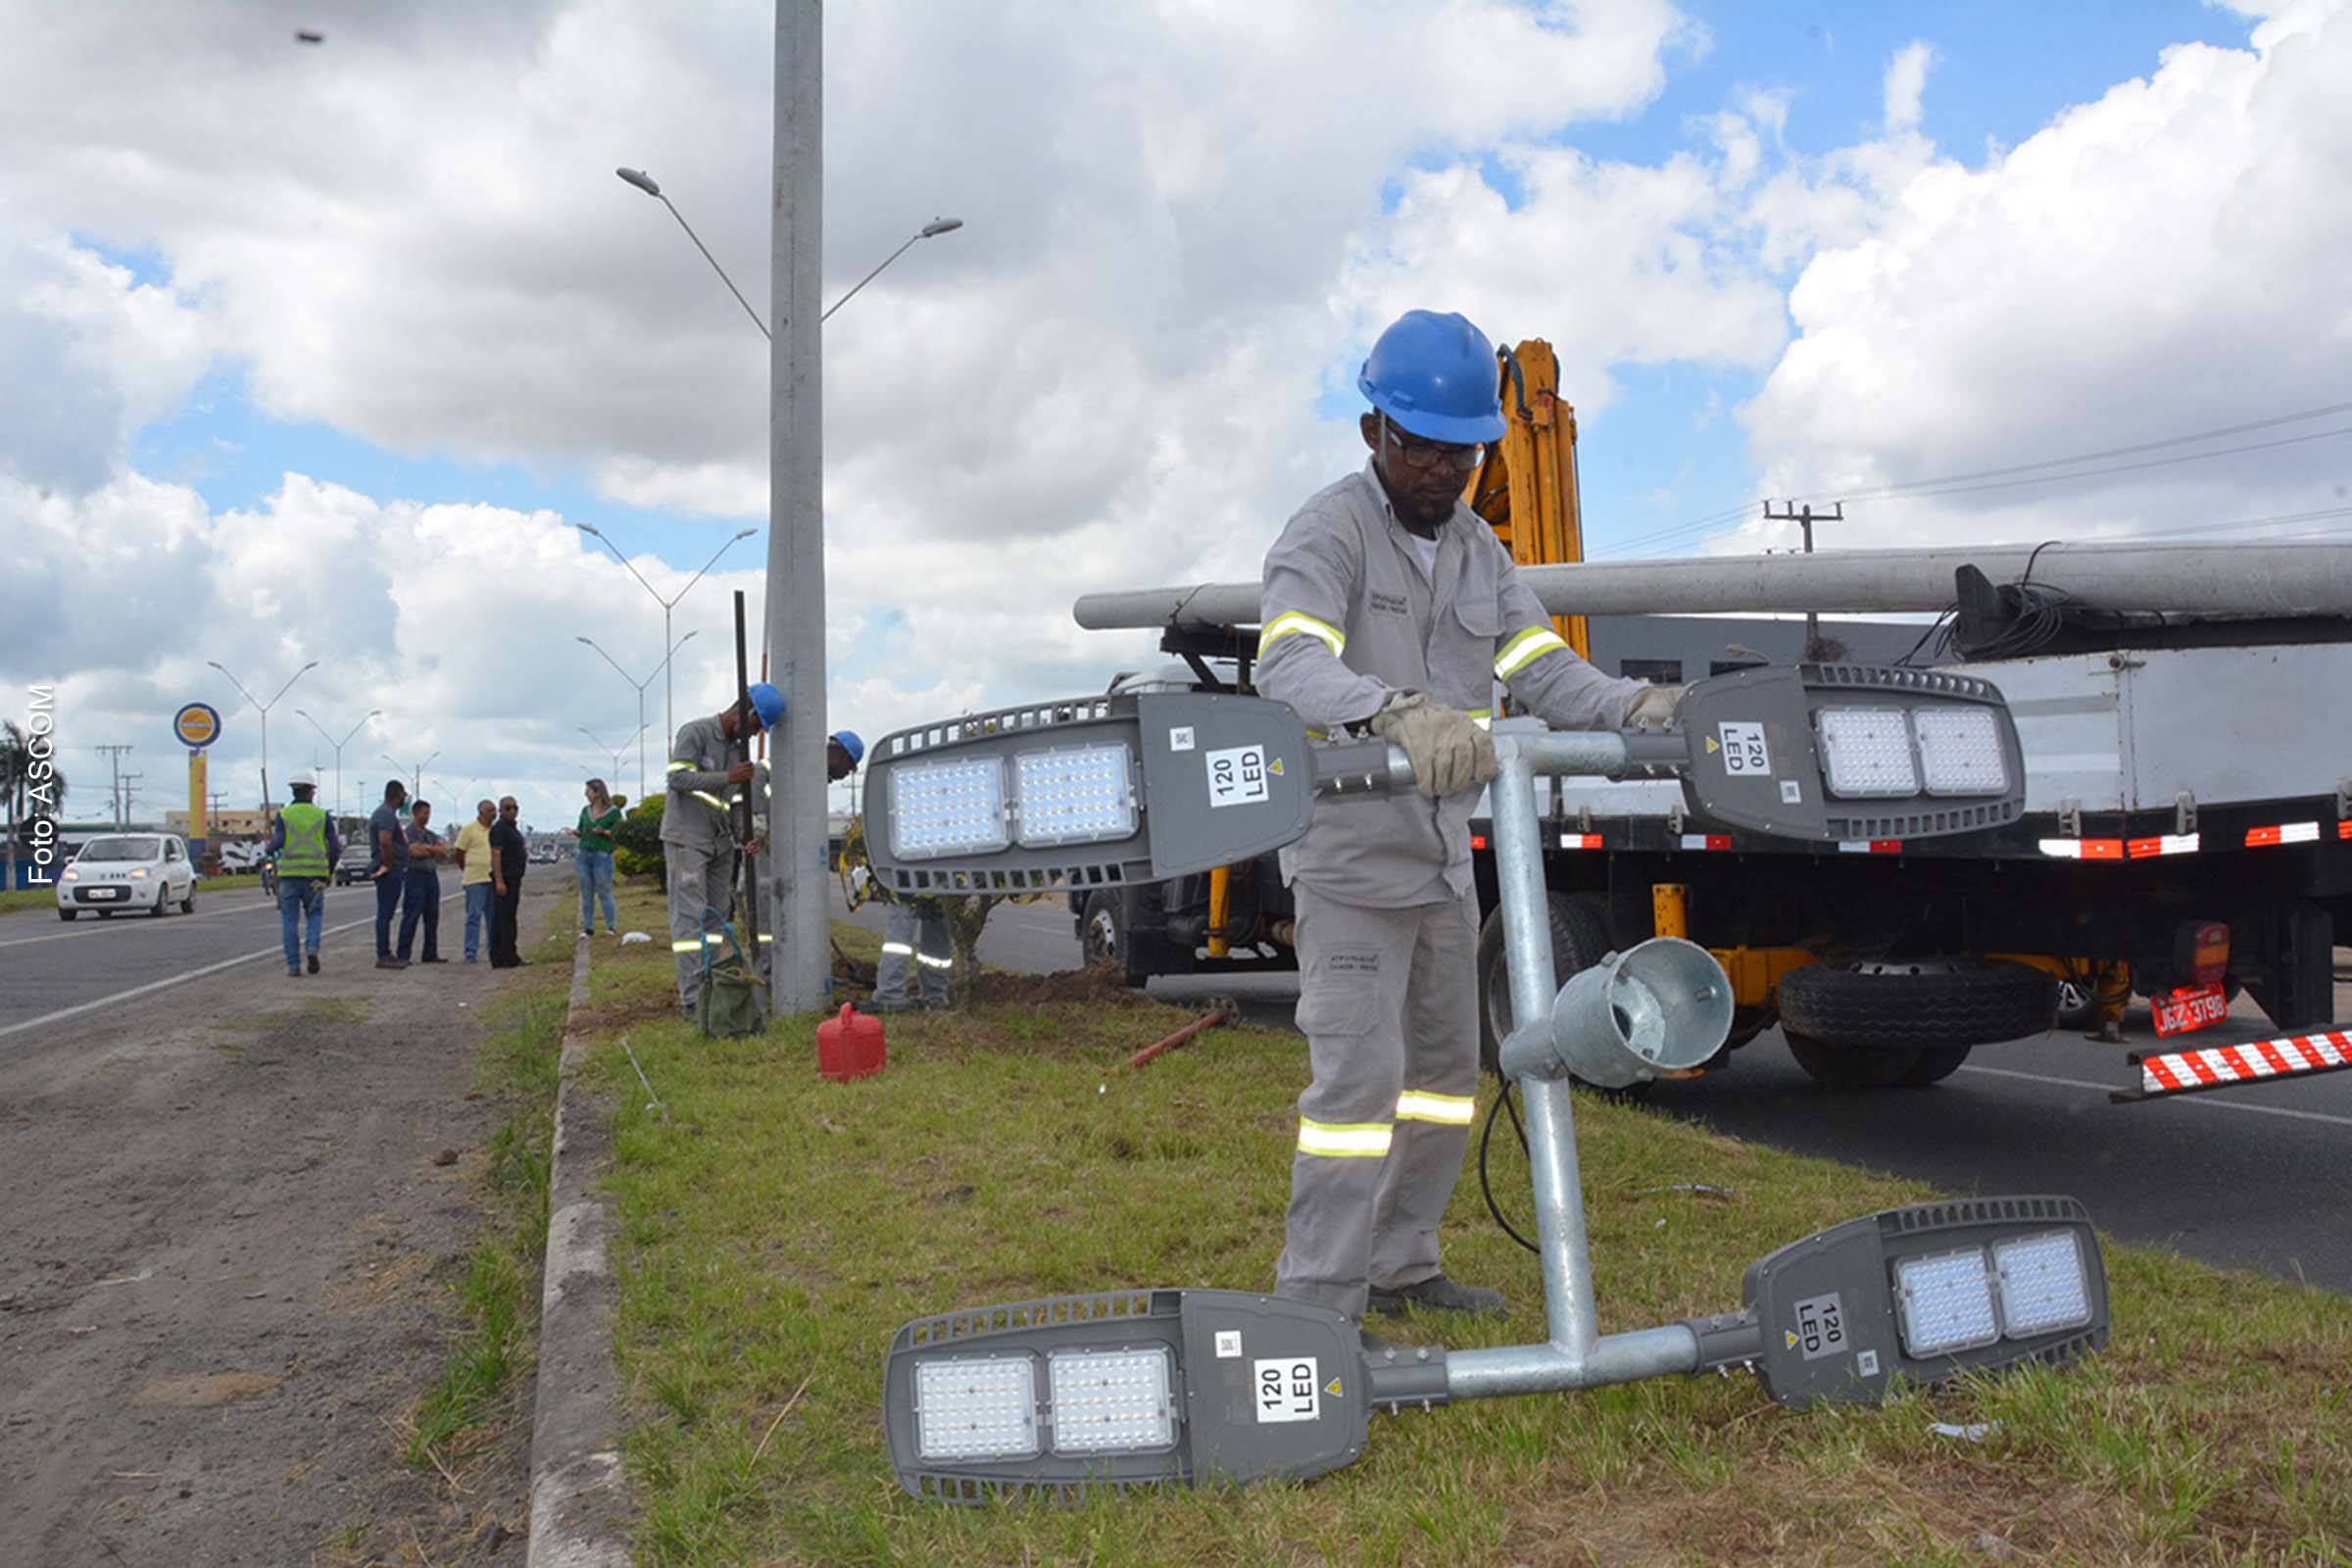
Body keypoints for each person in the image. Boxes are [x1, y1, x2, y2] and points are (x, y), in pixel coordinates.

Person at [1255, 309, 1680, 1329]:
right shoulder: (1329, 532)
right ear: (1374, 436)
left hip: (1443, 864)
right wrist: (1389, 708)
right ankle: (1318, 1302)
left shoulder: (1481, 549)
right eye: (1424, 448)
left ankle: (1402, 1263)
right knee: (1357, 1089)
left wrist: (1626, 705)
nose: (1446, 470)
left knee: (1444, 1081)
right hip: (1351, 867)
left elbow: (1536, 664)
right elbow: (1290, 659)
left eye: (1466, 451)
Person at [662, 683, 786, 1016]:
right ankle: (692, 999)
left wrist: (743, 834)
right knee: (691, 919)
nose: (755, 734)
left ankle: (709, 984)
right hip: (687, 838)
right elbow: (678, 779)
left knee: (716, 917)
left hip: (720, 843)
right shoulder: (695, 732)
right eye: (755, 726)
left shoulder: (738, 752)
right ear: (742, 713)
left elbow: (732, 801)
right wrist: (726, 776)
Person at [269, 773, 340, 977]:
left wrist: (268, 847)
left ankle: (293, 966)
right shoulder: (321, 815)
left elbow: (278, 842)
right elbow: (334, 848)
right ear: (311, 792)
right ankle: (312, 948)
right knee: (314, 914)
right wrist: (330, 871)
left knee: (289, 920)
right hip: (316, 875)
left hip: (289, 875)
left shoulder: (284, 814)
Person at [396, 799, 450, 963]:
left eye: (429, 813)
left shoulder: (429, 834)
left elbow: (443, 850)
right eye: (424, 813)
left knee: (432, 917)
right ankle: (403, 955)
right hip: (415, 876)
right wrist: (430, 850)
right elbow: (414, 852)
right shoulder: (408, 833)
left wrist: (427, 849)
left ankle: (430, 953)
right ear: (415, 813)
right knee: (411, 916)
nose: (427, 817)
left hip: (431, 876)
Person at [569, 778, 623, 937]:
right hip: (584, 854)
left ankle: (611, 926)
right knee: (586, 892)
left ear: (598, 792)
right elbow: (581, 829)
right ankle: (588, 927)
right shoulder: (585, 810)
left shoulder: (613, 812)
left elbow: (619, 832)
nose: (586, 795)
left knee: (604, 890)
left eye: (588, 791)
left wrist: (604, 832)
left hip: (602, 854)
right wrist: (575, 832)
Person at [368, 779, 411, 970]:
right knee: (385, 914)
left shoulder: (386, 813)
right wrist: (387, 864)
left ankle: (385, 953)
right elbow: (385, 842)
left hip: (393, 868)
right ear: (397, 794)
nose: (404, 798)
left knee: (387, 913)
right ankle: (383, 954)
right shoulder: (385, 814)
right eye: (403, 794)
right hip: (389, 870)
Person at [453, 798, 497, 961]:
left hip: (492, 878)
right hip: (475, 880)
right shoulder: (469, 830)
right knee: (474, 916)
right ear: (481, 812)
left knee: (493, 917)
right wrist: (466, 868)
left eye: (495, 810)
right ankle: (471, 951)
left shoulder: (495, 830)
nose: (494, 814)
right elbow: (459, 852)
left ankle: (493, 949)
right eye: (491, 811)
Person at [488, 796, 528, 967]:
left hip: (514, 878)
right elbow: (496, 855)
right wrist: (499, 881)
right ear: (500, 811)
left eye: (515, 808)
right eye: (508, 808)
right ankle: (506, 957)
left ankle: (504, 956)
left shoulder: (512, 829)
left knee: (506, 919)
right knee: (504, 921)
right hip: (506, 879)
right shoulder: (500, 829)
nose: (512, 811)